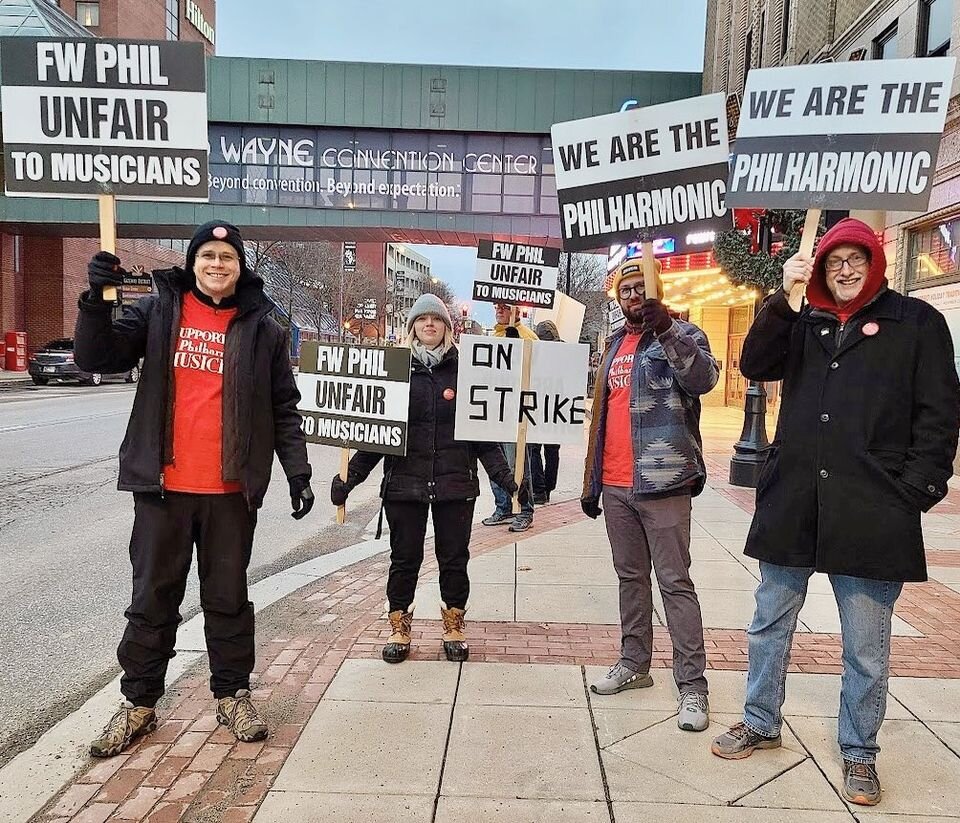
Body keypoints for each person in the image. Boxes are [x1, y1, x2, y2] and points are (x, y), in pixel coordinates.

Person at [711, 218, 960, 806]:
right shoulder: (803, 317)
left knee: (866, 644)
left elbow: (940, 413)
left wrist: (917, 488)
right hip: (795, 498)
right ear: (819, 268)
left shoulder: (918, 323)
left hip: (874, 507)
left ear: (875, 261)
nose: (844, 270)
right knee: (769, 621)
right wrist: (783, 298)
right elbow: (755, 364)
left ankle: (859, 750)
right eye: (833, 261)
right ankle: (759, 719)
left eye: (855, 259)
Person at [76, 221, 315, 757]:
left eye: (226, 257)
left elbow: (283, 407)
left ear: (239, 266)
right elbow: (98, 358)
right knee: (152, 599)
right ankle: (139, 703)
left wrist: (297, 471)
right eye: (206, 254)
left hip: (231, 494)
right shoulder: (159, 311)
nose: (216, 264)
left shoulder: (263, 328)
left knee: (228, 600)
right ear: (192, 261)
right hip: (163, 490)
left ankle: (232, 693)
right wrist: (96, 299)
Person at [330, 294, 521, 663]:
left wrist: (505, 478)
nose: (429, 324)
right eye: (423, 319)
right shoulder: (395, 373)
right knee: (404, 559)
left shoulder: (467, 371)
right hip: (405, 485)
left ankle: (453, 624)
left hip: (454, 486)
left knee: (454, 558)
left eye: (437, 319)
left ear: (447, 328)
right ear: (413, 327)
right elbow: (376, 436)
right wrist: (349, 478)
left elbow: (483, 435)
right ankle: (399, 626)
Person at [582, 257, 718, 732]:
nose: (634, 296)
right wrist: (591, 481)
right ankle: (634, 663)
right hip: (617, 485)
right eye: (626, 290)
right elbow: (603, 414)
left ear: (656, 289)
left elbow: (702, 380)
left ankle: (693, 687)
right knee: (630, 579)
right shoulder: (615, 341)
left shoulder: (685, 332)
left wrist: (668, 331)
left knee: (675, 582)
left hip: (663, 481)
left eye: (642, 288)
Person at [482, 301, 538, 531]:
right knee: (495, 462)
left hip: (515, 412)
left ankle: (525, 509)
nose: (499, 310)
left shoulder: (527, 336)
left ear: (516, 310)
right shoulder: (493, 337)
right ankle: (503, 507)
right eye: (497, 306)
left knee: (517, 464)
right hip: (492, 410)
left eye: (505, 307)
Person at [529, 320, 563, 504]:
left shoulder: (536, 351)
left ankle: (540, 490)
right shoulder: (564, 352)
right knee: (552, 450)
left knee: (534, 449)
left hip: (539, 404)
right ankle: (547, 488)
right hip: (557, 406)